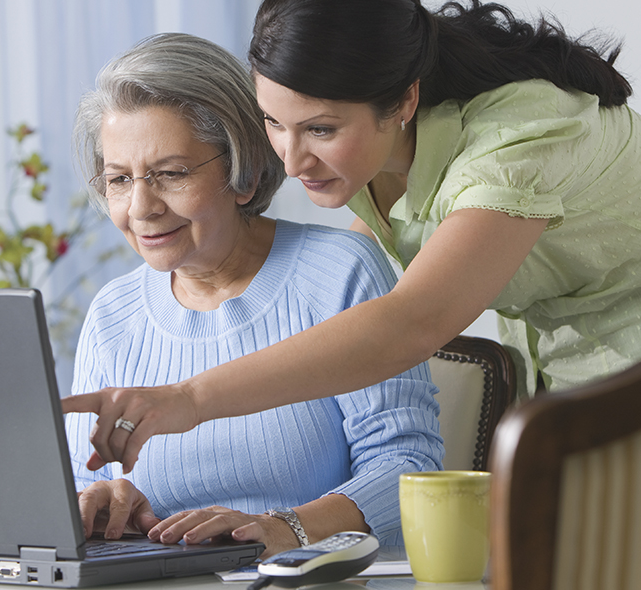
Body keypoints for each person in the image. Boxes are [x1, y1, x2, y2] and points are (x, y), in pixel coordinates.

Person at [64, 0, 641, 476]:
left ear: (402, 101)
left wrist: (190, 397)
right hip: (566, 341)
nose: (291, 157)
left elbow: (412, 321)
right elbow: (347, 313)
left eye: (319, 129)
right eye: (275, 123)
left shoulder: (513, 142)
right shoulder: (365, 162)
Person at [61, 32, 443, 557]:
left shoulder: (338, 272)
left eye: (170, 174)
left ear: (243, 172)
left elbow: (409, 464)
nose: (141, 207)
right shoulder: (112, 314)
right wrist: (104, 499)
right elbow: (79, 488)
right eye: (120, 179)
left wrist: (285, 528)